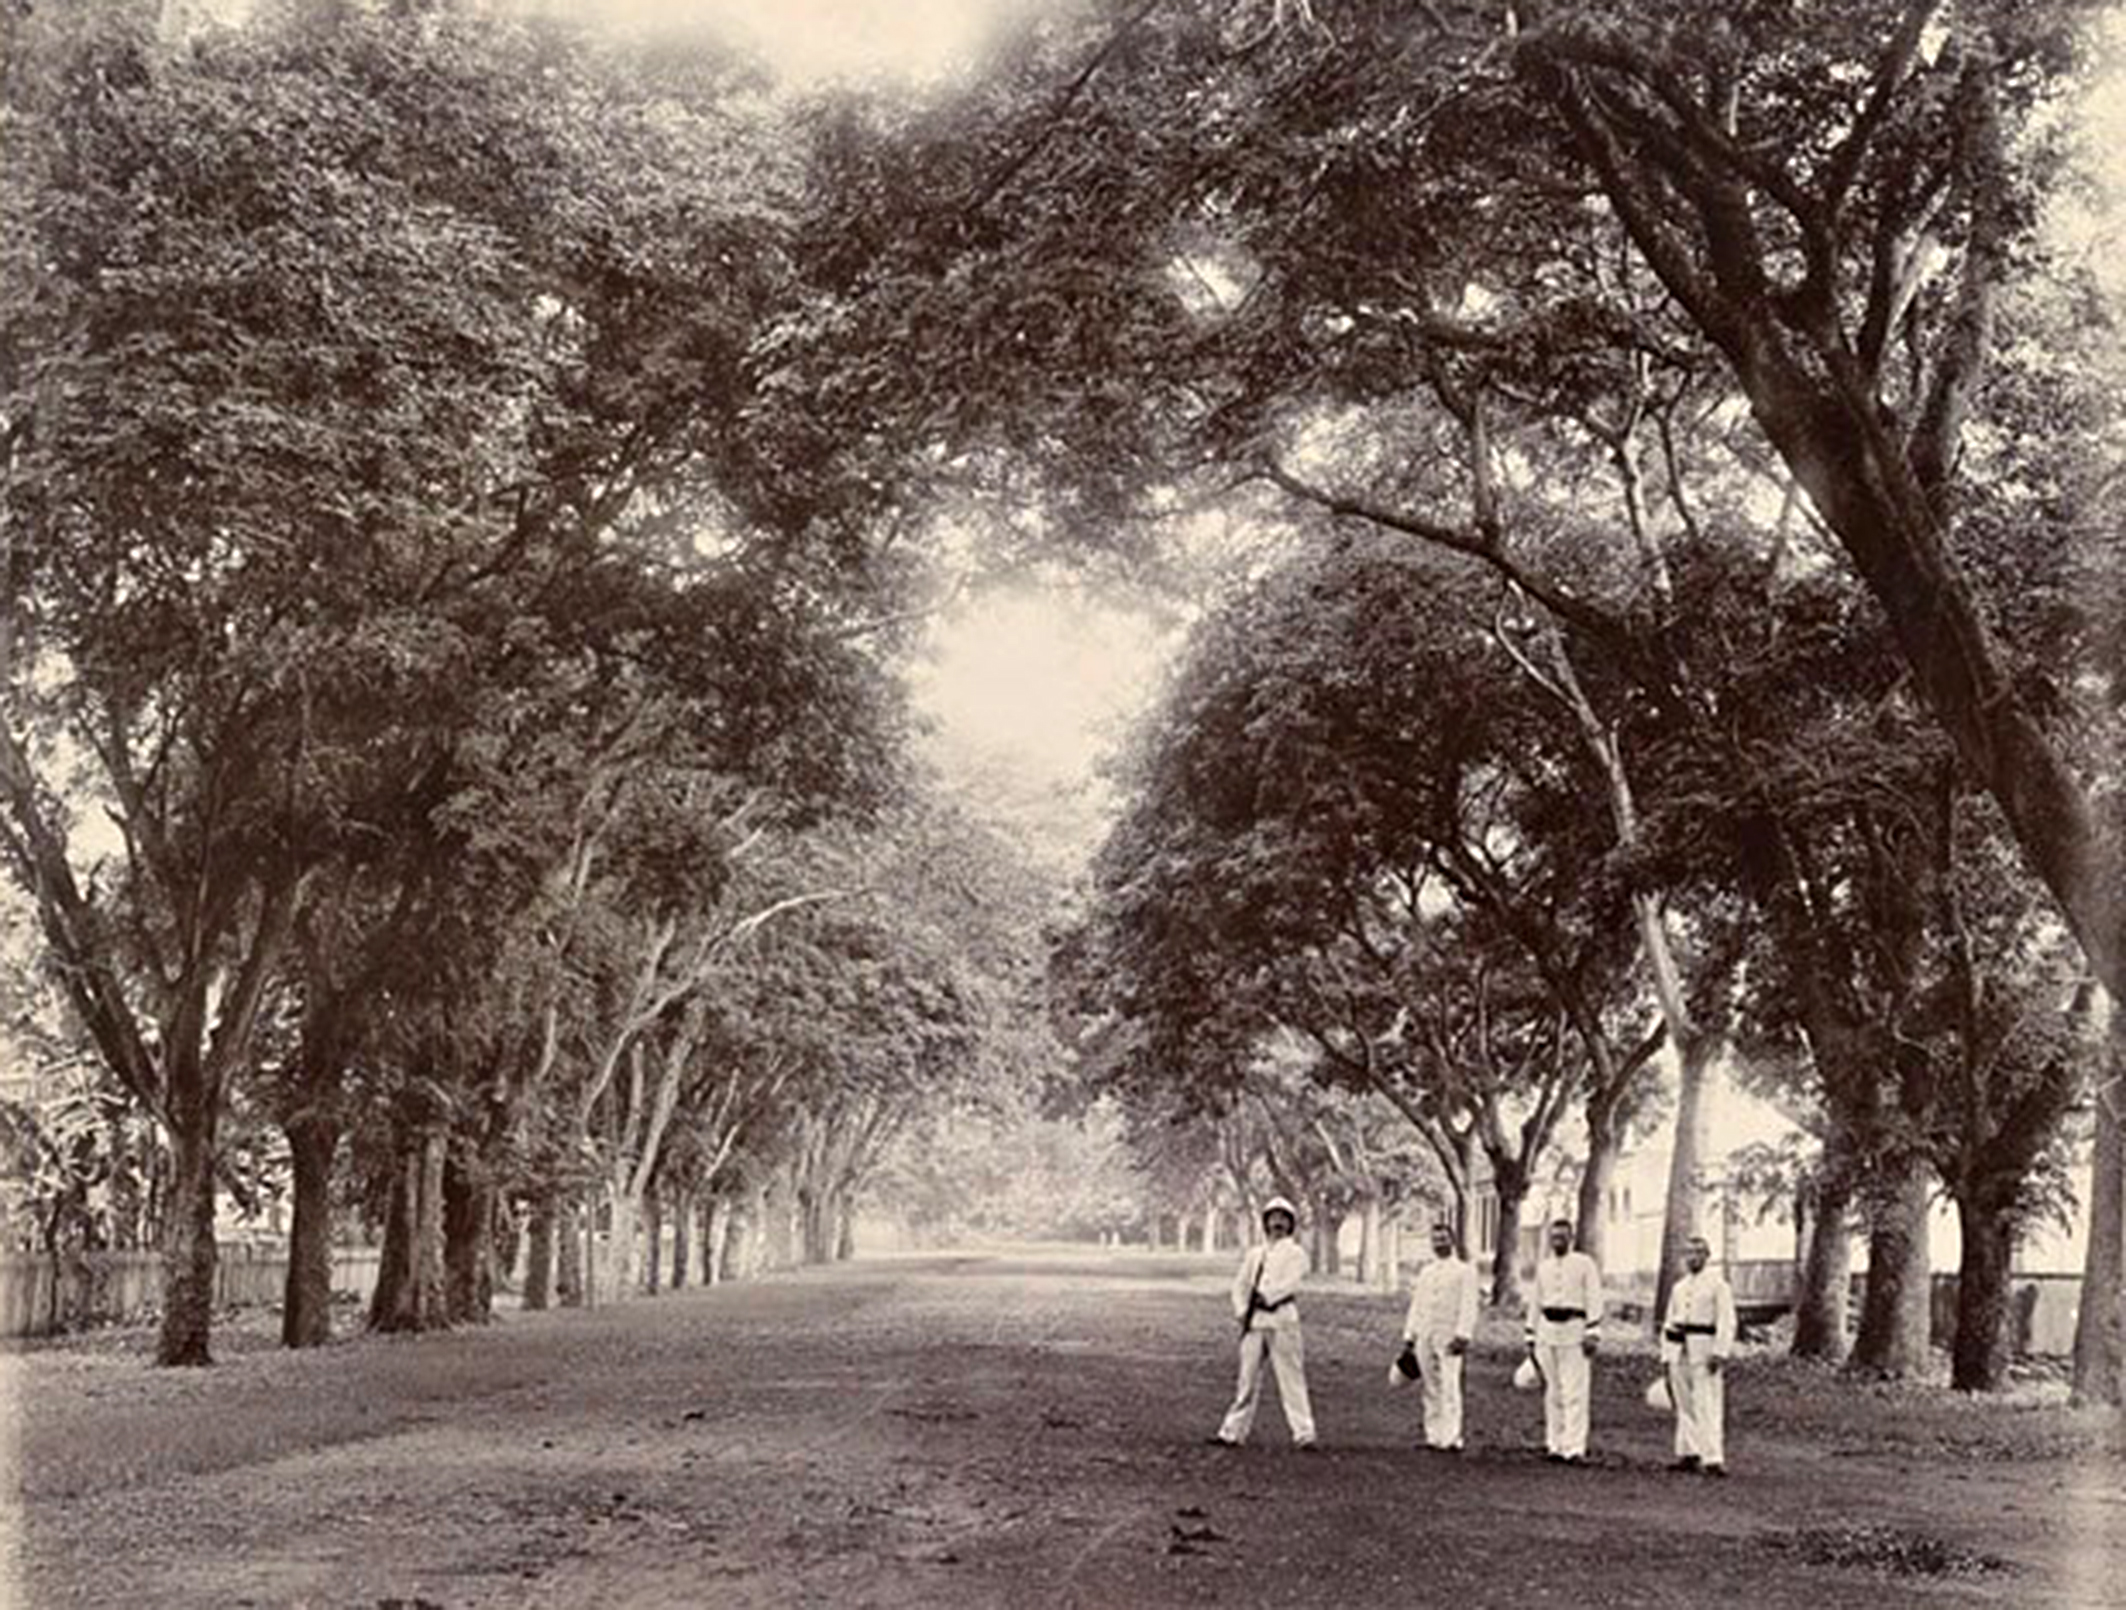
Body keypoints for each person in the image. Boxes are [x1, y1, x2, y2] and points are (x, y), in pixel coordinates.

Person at [1211, 1196, 1316, 1448]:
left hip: (1282, 1320)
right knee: (1246, 1380)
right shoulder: (1255, 1254)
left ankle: (1304, 1433)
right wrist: (1242, 1310)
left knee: (1291, 1379)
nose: (1277, 1223)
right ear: (1265, 1222)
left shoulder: (1297, 1253)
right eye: (1272, 1218)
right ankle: (1232, 1431)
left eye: (1282, 1219)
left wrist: (1268, 1297)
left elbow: (1292, 1283)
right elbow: (1240, 1285)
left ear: (1291, 1224)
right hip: (1255, 1322)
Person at [1523, 1217, 1602, 1464]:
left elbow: (1594, 1296)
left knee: (1574, 1391)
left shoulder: (1584, 1264)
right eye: (1554, 1237)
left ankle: (1574, 1447)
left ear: (1572, 1237)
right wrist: (1530, 1334)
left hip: (1574, 1330)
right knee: (1553, 1391)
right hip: (1548, 1331)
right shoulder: (1544, 1267)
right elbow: (1535, 1301)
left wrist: (1593, 1331)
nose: (1558, 1241)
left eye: (1563, 1236)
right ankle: (1555, 1444)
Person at [1660, 1234, 1737, 1476]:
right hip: (1679, 1347)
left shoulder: (1718, 1285)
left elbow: (1727, 1321)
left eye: (1698, 1253)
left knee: (1708, 1402)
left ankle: (1712, 1457)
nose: (1693, 1258)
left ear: (1707, 1256)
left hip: (1704, 1346)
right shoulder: (1679, 1288)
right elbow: (1669, 1321)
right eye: (1689, 1253)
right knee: (1684, 1403)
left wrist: (1720, 1352)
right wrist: (1666, 1354)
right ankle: (1688, 1452)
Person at [1401, 1221, 1481, 1451]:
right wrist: (1410, 1334)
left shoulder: (1464, 1271)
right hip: (1426, 1332)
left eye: (1443, 1238)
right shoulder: (1427, 1271)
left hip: (1449, 1334)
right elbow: (1417, 1304)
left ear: (1452, 1240)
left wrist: (1463, 1335)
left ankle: (1451, 1436)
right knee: (1430, 1385)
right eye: (1435, 1239)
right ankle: (1433, 1435)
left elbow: (1468, 1306)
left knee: (1450, 1385)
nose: (1439, 1243)